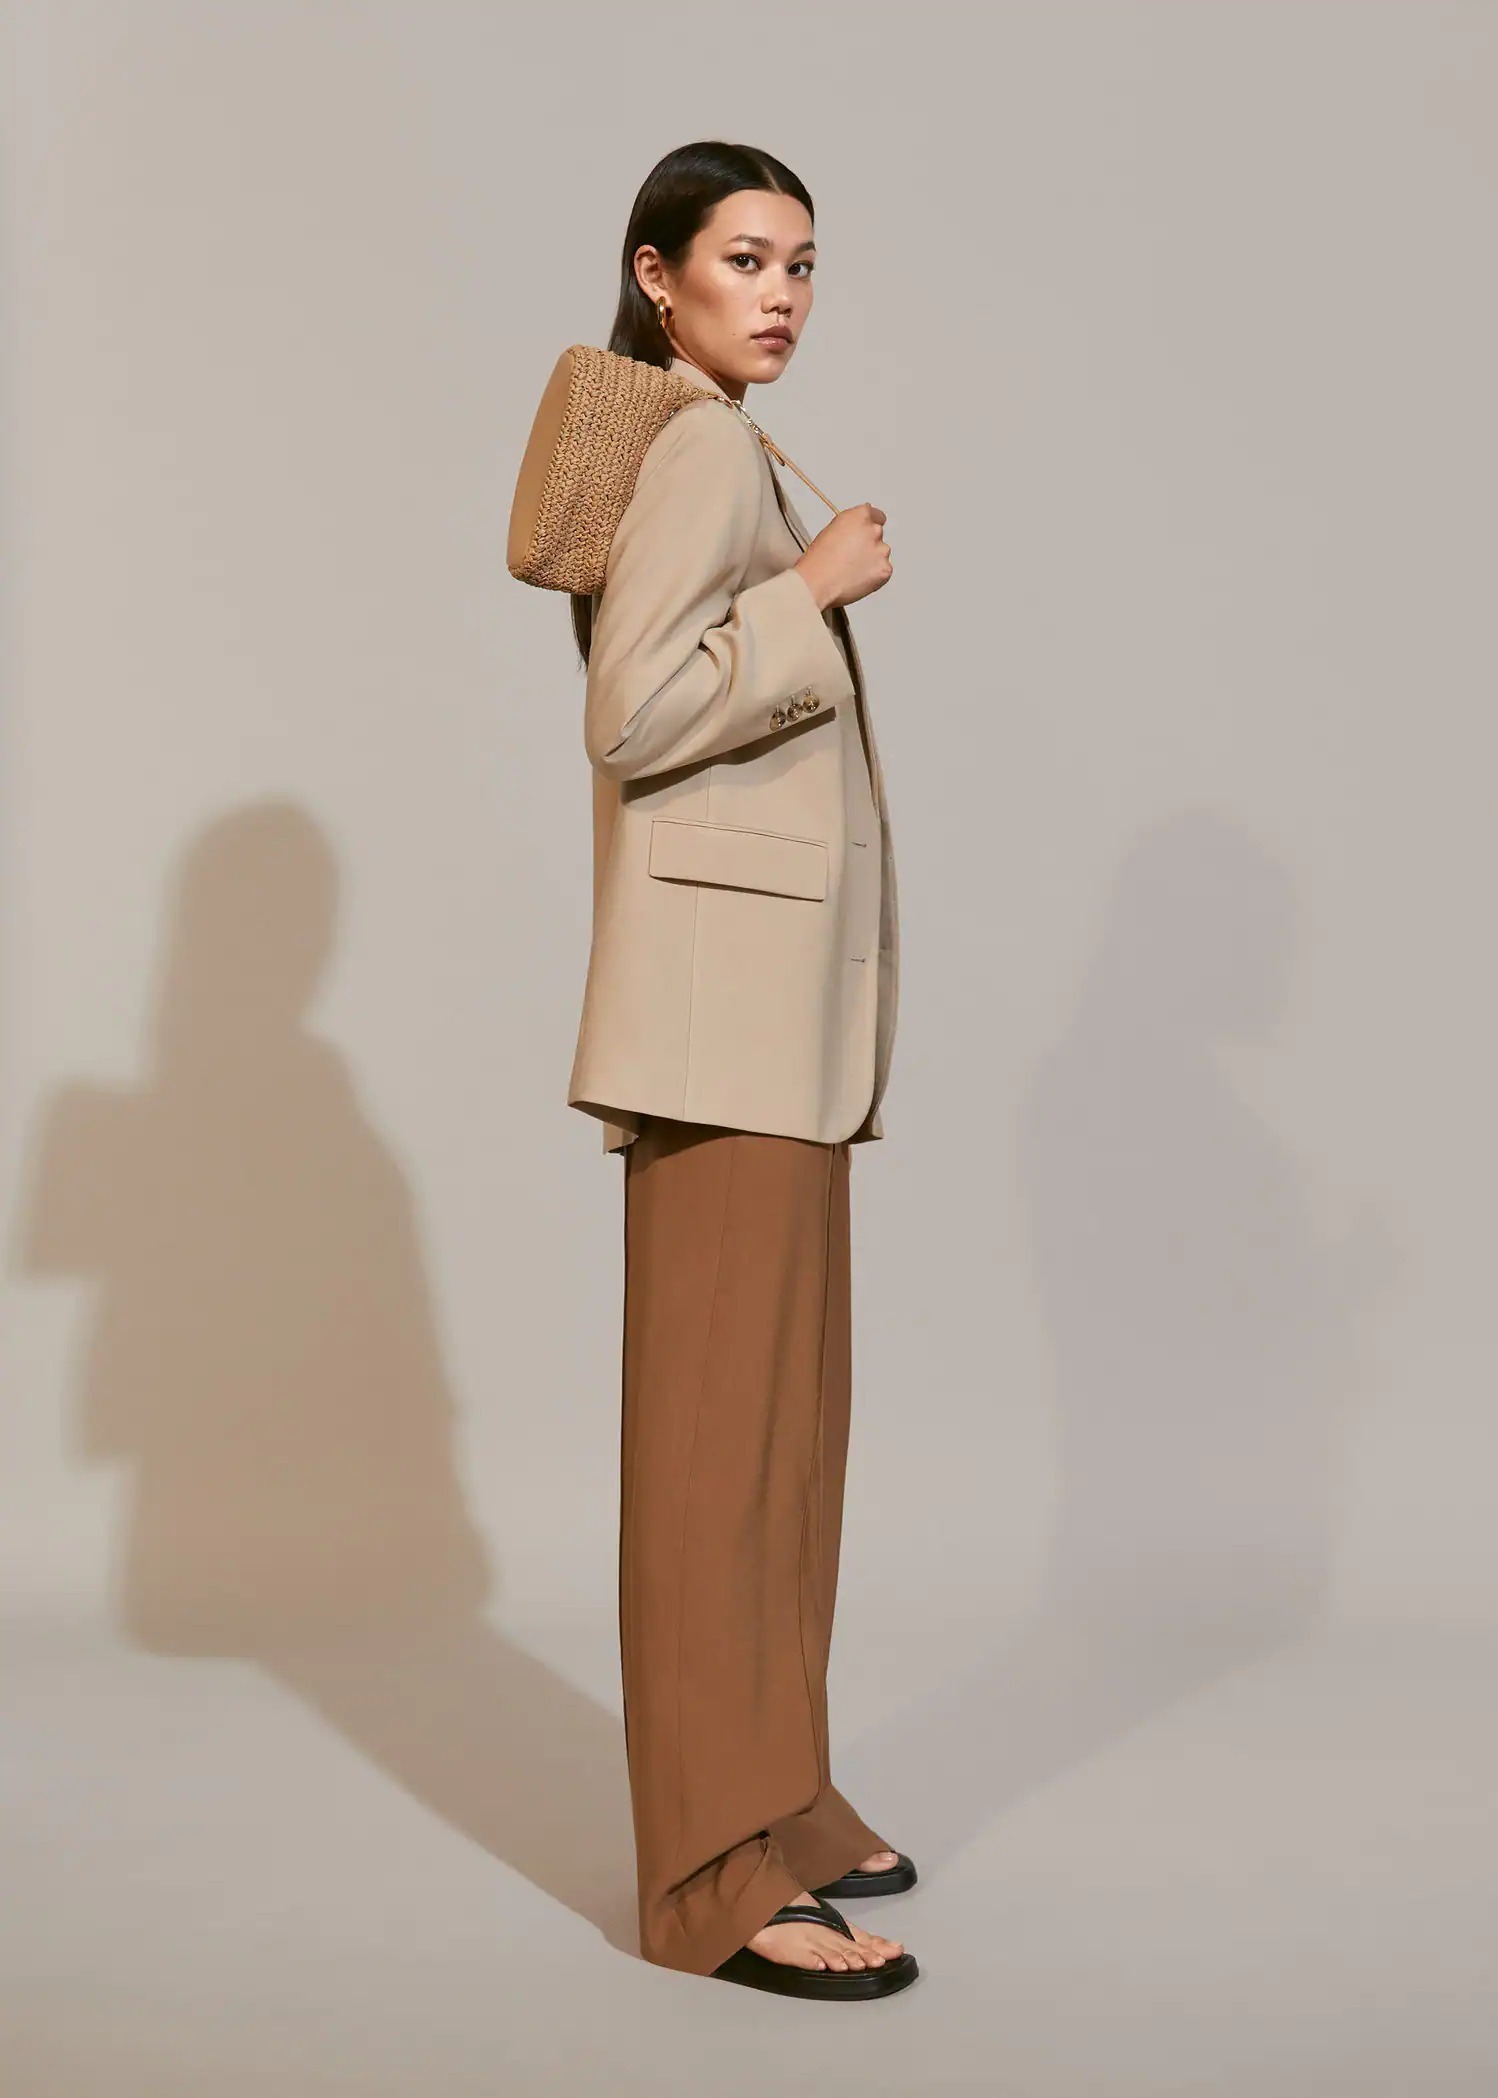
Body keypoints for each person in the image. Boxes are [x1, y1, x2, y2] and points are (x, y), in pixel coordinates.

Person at [565, 141, 915, 2001]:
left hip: (772, 1028)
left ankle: (778, 1793)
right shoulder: (698, 449)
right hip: (722, 1031)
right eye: (744, 259)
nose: (779, 294)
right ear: (658, 275)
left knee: (781, 1440)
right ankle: (710, 1876)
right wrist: (813, 593)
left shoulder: (729, 438)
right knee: (720, 1459)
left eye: (801, 264)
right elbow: (632, 711)